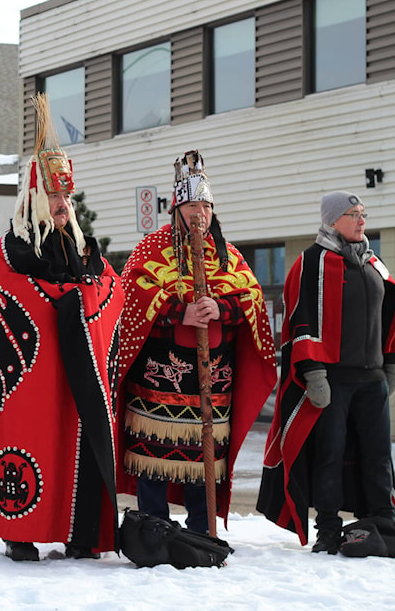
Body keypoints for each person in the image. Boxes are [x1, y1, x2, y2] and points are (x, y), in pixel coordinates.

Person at [0, 94, 124, 562]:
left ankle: (81, 531)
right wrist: (73, 301)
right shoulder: (13, 248)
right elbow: (17, 291)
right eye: (54, 197)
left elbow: (111, 286)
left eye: (66, 197)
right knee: (35, 441)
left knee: (79, 445)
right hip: (33, 374)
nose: (62, 205)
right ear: (34, 199)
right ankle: (21, 532)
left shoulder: (83, 247)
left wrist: (85, 300)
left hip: (79, 372)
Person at [116, 150, 276, 533]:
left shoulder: (228, 256)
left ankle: (202, 531)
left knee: (203, 463)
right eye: (191, 205)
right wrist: (178, 311)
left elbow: (252, 299)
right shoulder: (151, 248)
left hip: (212, 383)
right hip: (158, 380)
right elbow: (131, 295)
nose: (199, 213)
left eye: (206, 205)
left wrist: (221, 309)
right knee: (154, 460)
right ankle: (153, 530)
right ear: (176, 209)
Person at [257, 191, 395, 553]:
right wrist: (313, 373)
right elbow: (301, 318)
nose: (362, 220)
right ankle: (328, 527)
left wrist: (393, 362)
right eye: (353, 214)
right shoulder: (310, 262)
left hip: (372, 380)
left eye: (363, 213)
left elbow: (392, 310)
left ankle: (382, 523)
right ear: (332, 221)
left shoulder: (373, 262)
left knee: (378, 456)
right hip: (332, 381)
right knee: (329, 455)